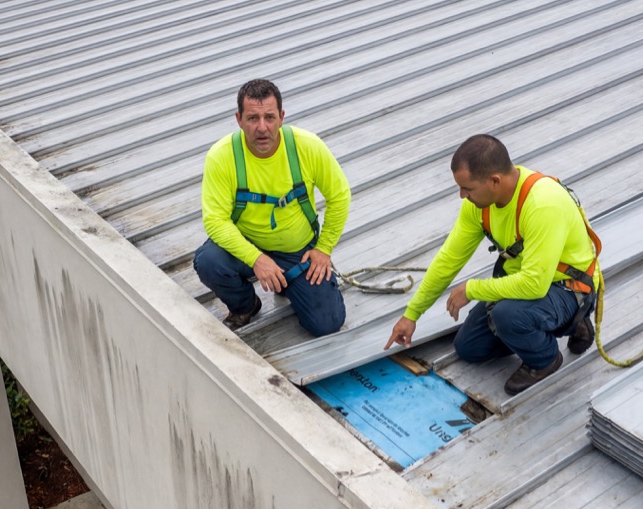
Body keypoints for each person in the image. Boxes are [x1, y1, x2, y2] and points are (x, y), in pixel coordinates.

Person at [384, 134, 600, 395]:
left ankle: (545, 358)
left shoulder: (543, 204)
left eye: (467, 188)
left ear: (494, 181)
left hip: (568, 288)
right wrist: (412, 314)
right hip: (525, 285)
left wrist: (471, 290)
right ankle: (548, 326)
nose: (462, 195)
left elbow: (534, 284)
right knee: (469, 348)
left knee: (507, 316)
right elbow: (448, 260)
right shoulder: (480, 205)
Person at [194, 79, 350, 336]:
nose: (262, 128)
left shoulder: (307, 146)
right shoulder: (221, 156)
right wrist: (256, 259)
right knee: (209, 261)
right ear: (239, 119)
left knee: (328, 323)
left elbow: (340, 197)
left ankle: (286, 282)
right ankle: (245, 305)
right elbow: (215, 221)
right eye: (253, 118)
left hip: (297, 252)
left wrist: (323, 249)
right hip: (247, 247)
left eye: (269, 117)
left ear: (281, 117)